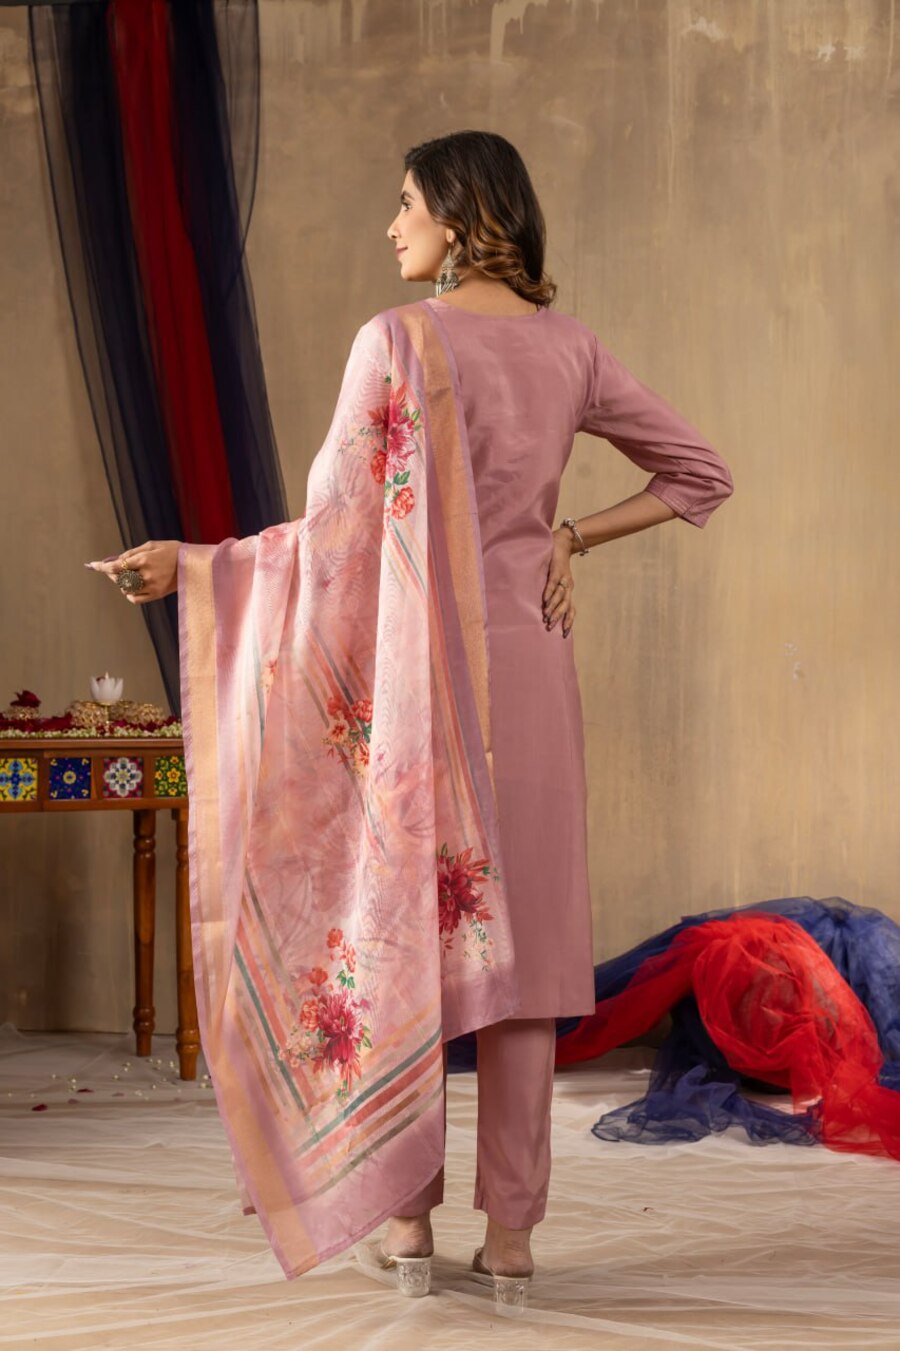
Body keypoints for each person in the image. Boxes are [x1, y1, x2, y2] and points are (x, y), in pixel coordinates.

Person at [88, 130, 733, 1308]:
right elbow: (701, 471)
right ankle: (514, 1241)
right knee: (528, 959)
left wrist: (199, 565)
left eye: (406, 205)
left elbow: (338, 530)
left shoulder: (397, 341)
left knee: (410, 940)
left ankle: (408, 1226)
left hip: (418, 682)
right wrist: (569, 537)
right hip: (530, 677)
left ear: (460, 216)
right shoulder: (573, 350)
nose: (392, 226)